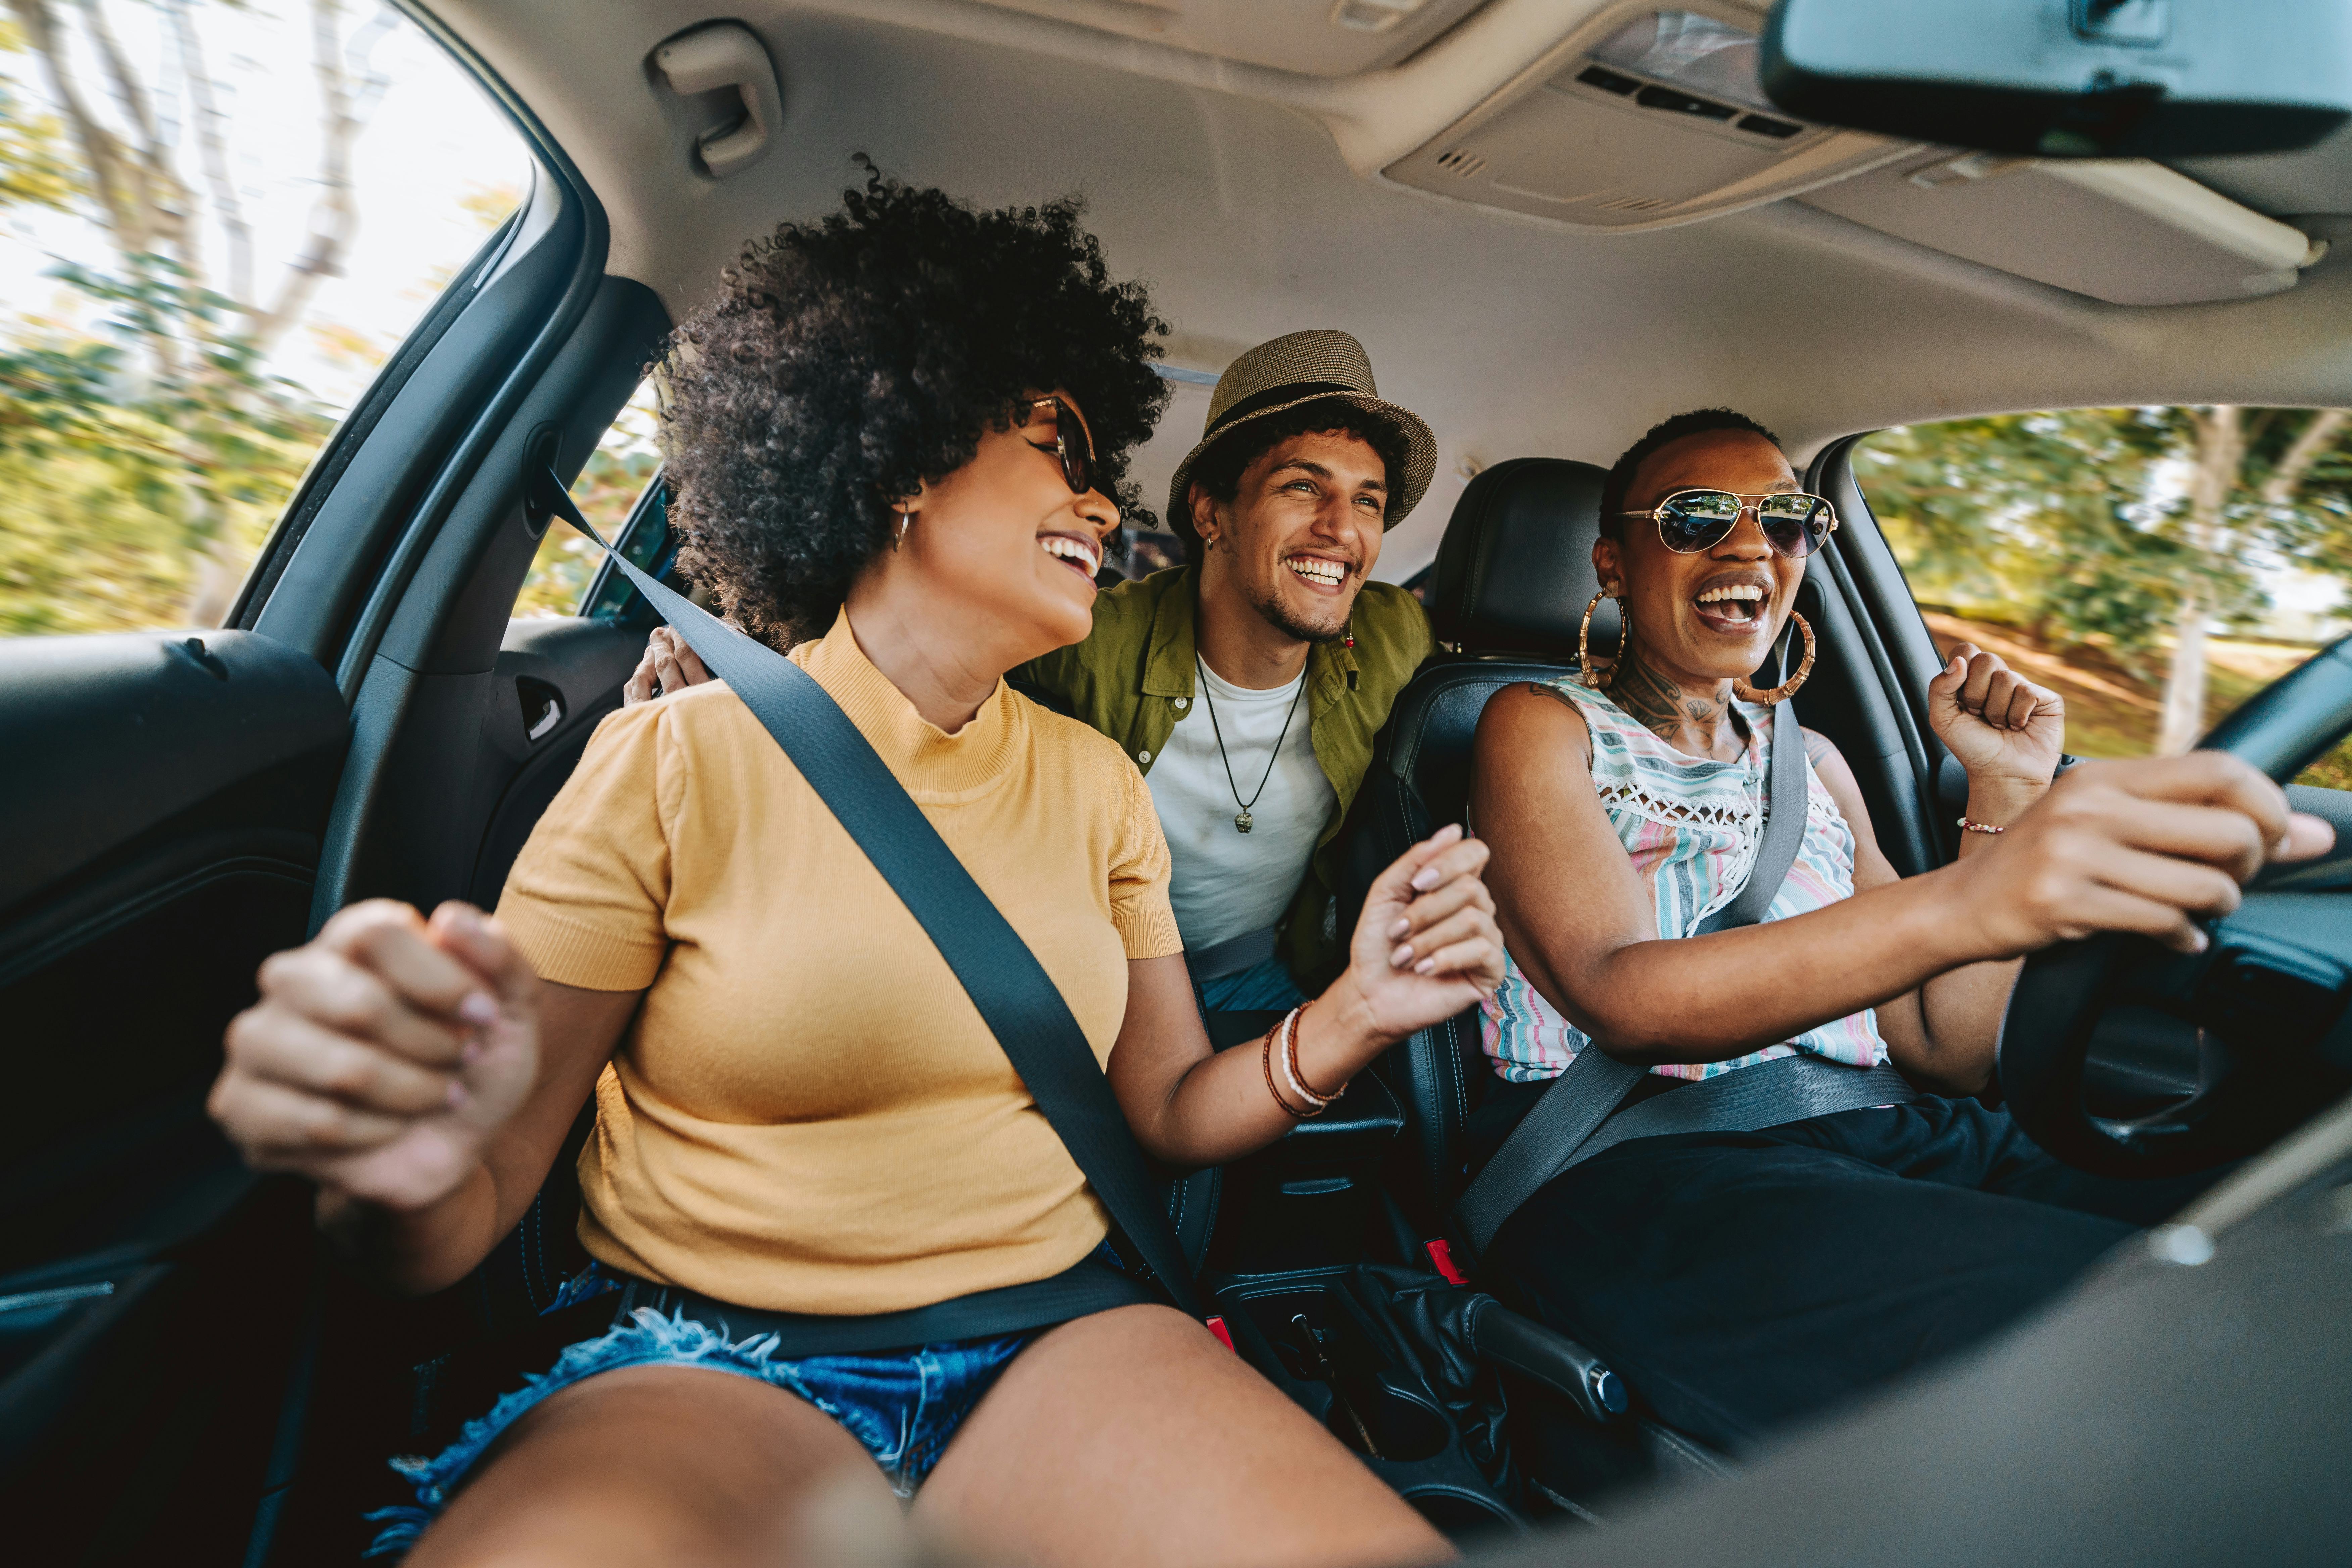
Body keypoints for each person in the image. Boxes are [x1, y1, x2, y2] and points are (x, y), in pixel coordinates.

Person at [206, 174, 1505, 1568]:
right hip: (710, 1357)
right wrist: (396, 1168)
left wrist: (1352, 1013)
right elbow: (470, 1200)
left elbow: (1174, 1110)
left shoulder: (1096, 787)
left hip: (1053, 1335)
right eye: (1056, 445)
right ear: (901, 464)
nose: (1095, 495)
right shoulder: (673, 761)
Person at [1468, 407, 2332, 1453]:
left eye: (1785, 520)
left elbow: (1943, 1047)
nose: (1748, 547)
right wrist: (1978, 901)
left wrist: (2005, 793)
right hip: (1654, 1165)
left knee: (2276, 1223)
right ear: (1614, 563)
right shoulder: (1538, 724)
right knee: (2128, 1323)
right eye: (1697, 518)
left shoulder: (1813, 760)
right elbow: (1622, 995)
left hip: (1894, 1134)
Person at [632, 329, 1441, 1015]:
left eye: (1368, 502)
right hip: (1090, 979)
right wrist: (743, 655)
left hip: (1265, 972)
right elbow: (921, 632)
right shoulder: (1088, 635)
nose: (1342, 529)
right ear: (1209, 512)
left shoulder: (1392, 635)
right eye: (1303, 486)